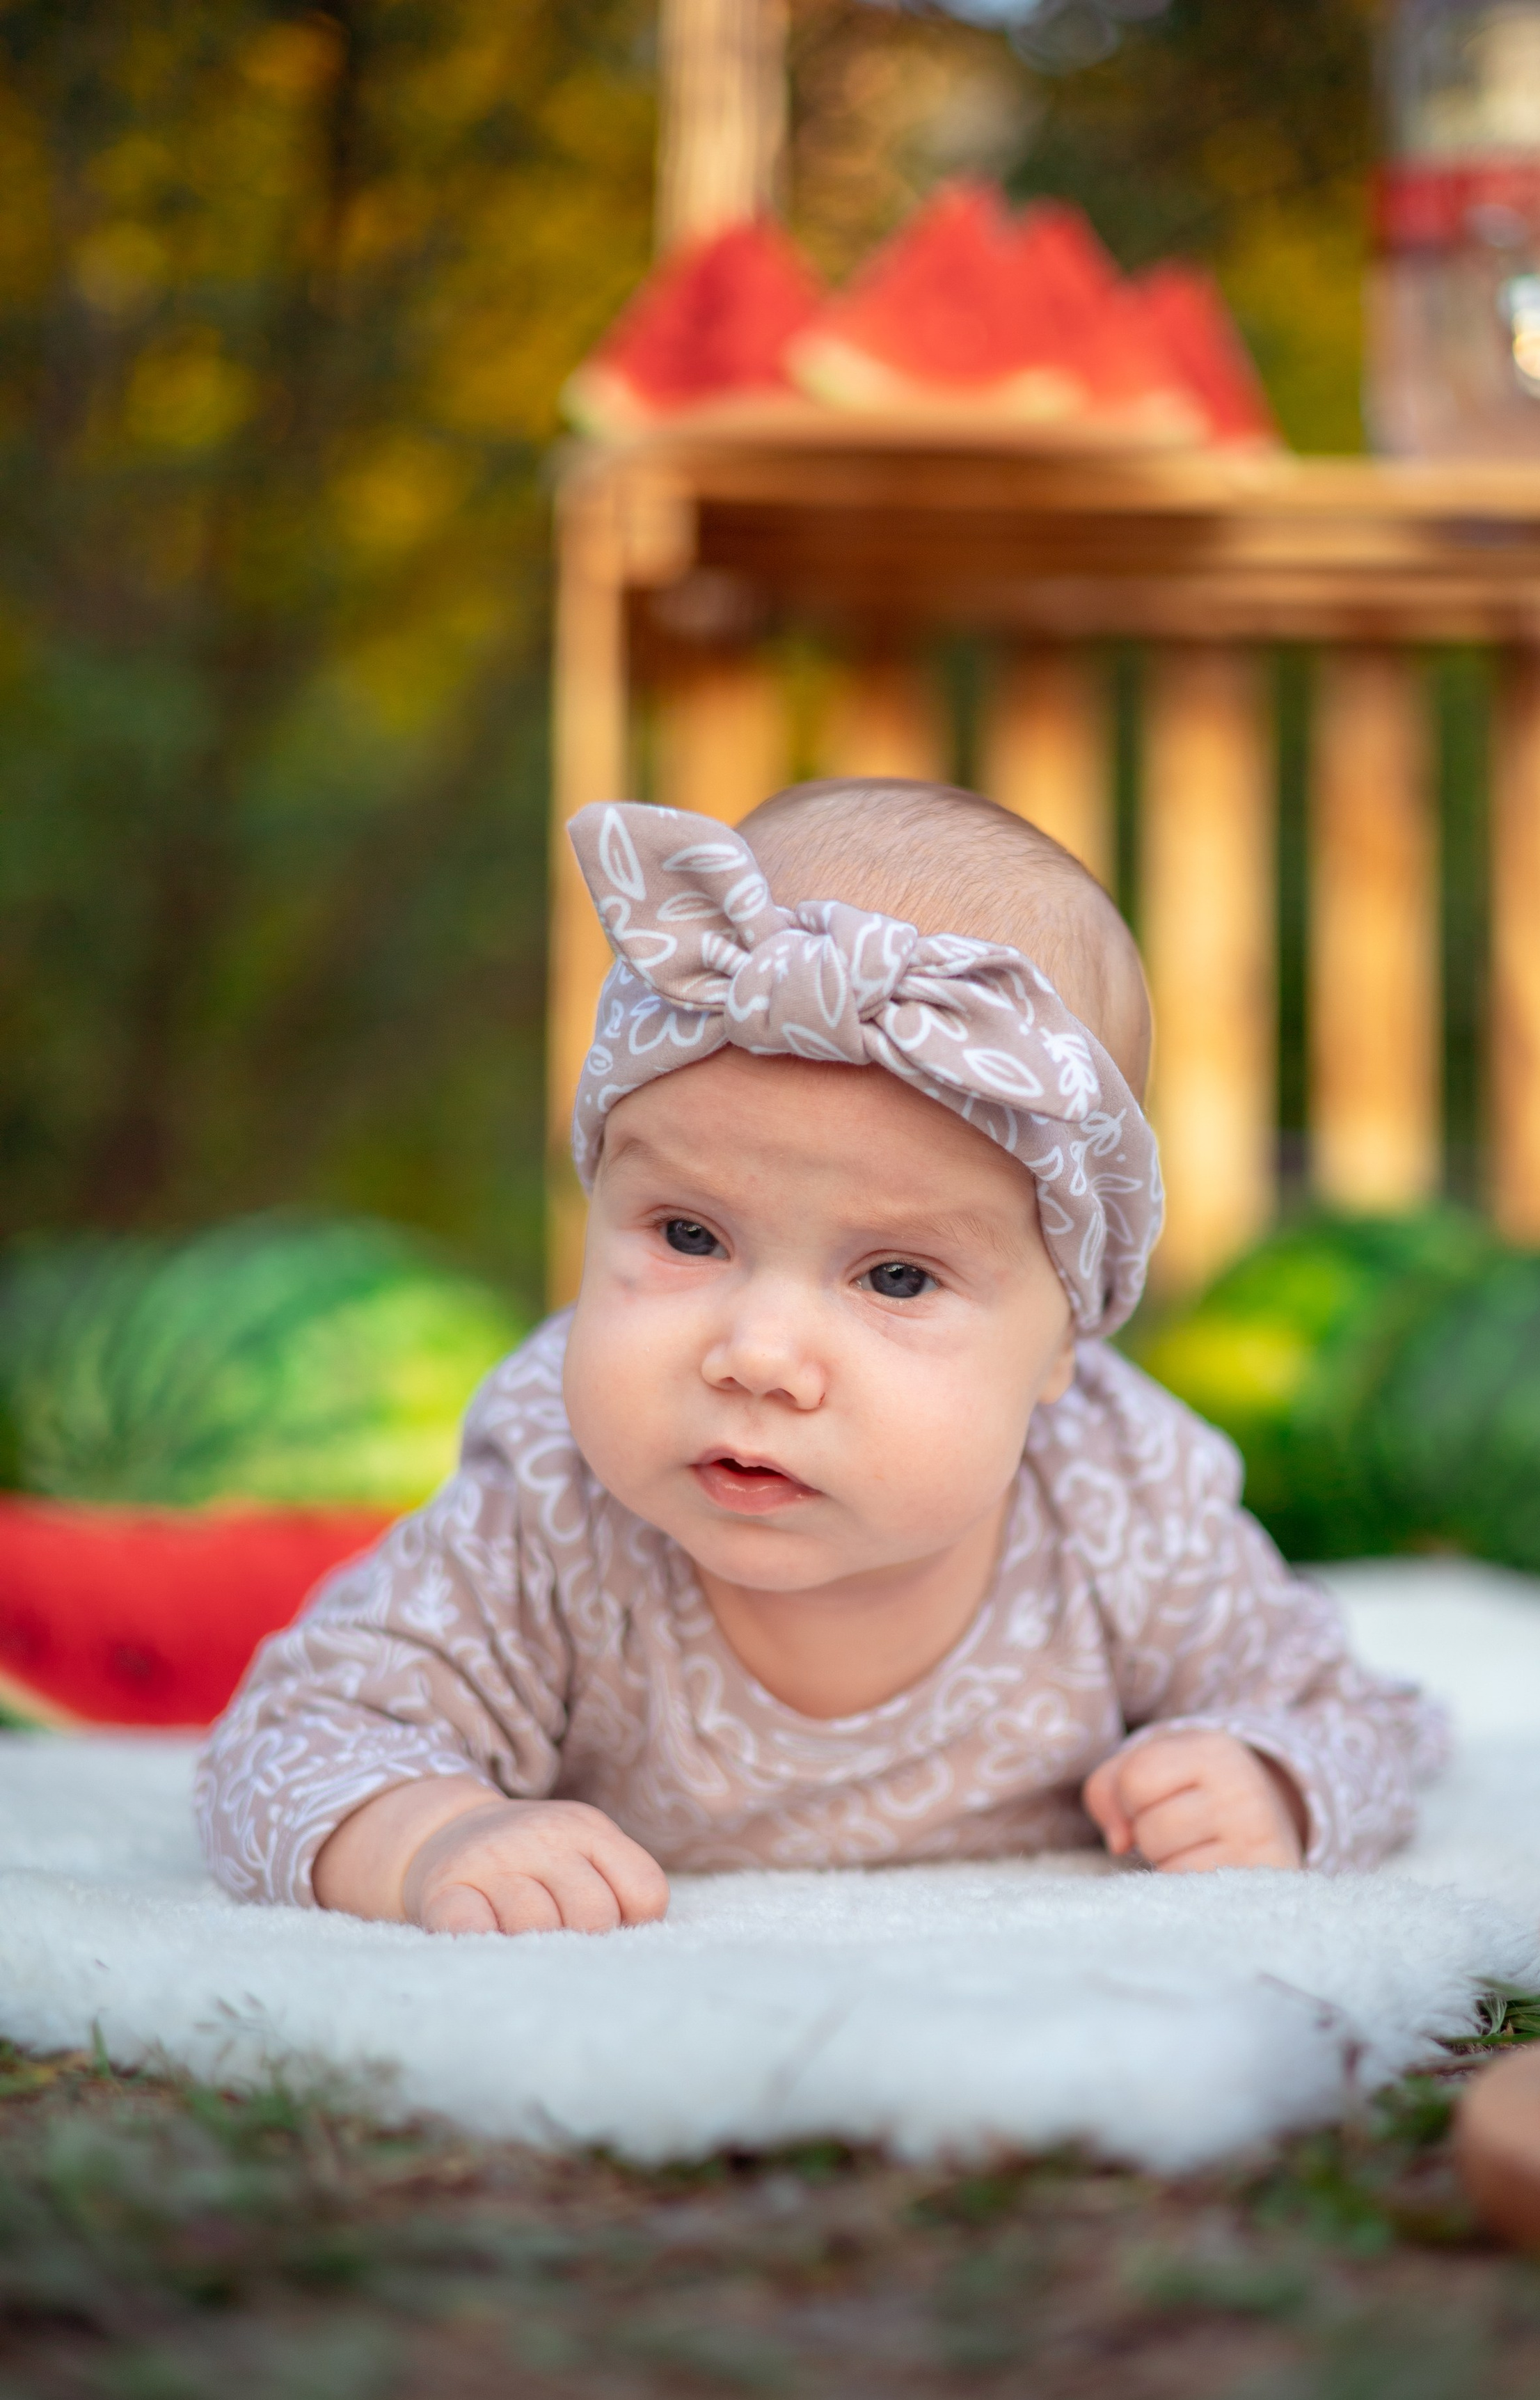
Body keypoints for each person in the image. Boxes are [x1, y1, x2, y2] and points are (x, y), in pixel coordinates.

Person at [197, 780, 1445, 1935]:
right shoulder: (550, 1506)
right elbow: (294, 1737)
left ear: (1065, 1336)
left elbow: (1359, 1718)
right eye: (689, 1235)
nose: (758, 1354)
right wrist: (429, 1833)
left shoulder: (1125, 1509)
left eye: (896, 1277)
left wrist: (1267, 1781)